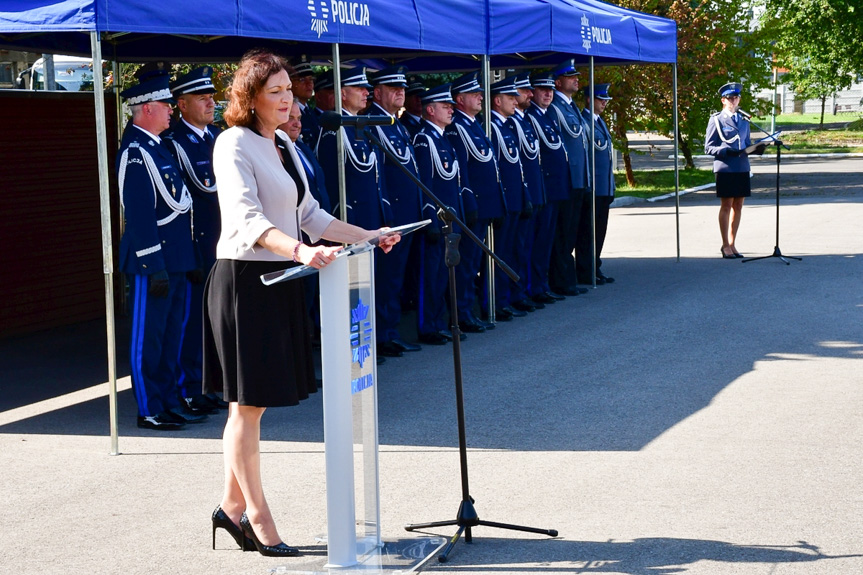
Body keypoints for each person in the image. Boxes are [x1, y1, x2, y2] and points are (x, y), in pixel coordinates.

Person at [203, 49, 398, 557]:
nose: (288, 99)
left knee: (252, 406)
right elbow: (247, 221)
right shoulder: (233, 144)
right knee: (246, 407)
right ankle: (258, 519)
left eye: (289, 90)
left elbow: (311, 213)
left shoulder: (284, 143)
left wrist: (368, 235)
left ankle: (229, 508)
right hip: (247, 282)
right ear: (250, 98)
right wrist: (301, 252)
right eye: (276, 91)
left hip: (285, 276)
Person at [117, 74, 207, 431]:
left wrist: (190, 258)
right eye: (166, 105)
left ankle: (168, 400)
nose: (172, 110)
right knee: (148, 339)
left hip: (176, 260)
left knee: (171, 337)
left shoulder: (158, 147)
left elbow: (181, 207)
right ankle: (149, 408)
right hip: (152, 262)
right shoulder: (136, 153)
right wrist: (153, 264)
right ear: (148, 108)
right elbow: (140, 216)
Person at [162, 66, 227, 415]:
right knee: (191, 322)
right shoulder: (176, 143)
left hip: (221, 238)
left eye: (211, 97)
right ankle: (189, 387)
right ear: (182, 105)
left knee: (215, 318)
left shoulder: (216, 137)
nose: (210, 103)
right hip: (196, 242)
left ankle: (207, 383)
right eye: (201, 98)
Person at [366, 66, 423, 357]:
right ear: (377, 93)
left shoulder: (396, 123)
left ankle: (390, 331)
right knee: (385, 278)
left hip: (407, 212)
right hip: (391, 215)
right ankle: (381, 335)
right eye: (393, 87)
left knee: (395, 278)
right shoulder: (373, 123)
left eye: (402, 87)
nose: (401, 91)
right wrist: (386, 212)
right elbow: (380, 177)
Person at [445, 71, 504, 328]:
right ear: (460, 99)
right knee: (466, 264)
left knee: (474, 262)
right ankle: (462, 313)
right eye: (474, 94)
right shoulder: (458, 127)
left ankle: (471, 308)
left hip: (485, 203)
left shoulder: (473, 123)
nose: (481, 97)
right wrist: (468, 203)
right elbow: (463, 171)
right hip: (472, 205)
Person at [412, 84, 470, 345]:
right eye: (445, 106)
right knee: (432, 275)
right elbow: (425, 182)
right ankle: (428, 326)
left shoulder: (443, 138)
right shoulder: (424, 139)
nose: (451, 110)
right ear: (430, 110)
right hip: (437, 219)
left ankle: (443, 321)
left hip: (451, 216)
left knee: (446, 274)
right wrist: (431, 218)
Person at [704, 82, 763, 259]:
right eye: (730, 98)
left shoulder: (744, 120)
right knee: (727, 205)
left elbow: (745, 143)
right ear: (723, 100)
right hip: (726, 167)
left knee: (738, 205)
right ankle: (725, 245)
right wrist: (725, 151)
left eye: (736, 97)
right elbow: (708, 147)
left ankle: (733, 243)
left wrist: (756, 148)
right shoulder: (716, 120)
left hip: (742, 167)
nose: (734, 100)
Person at [487, 76, 529, 319]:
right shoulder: (491, 126)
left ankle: (509, 296)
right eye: (510, 97)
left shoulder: (506, 125)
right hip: (503, 199)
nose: (516, 101)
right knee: (501, 253)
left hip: (514, 198)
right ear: (497, 100)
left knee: (513, 250)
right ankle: (496, 300)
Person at [525, 71, 568, 305]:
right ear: (533, 93)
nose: (548, 94)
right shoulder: (531, 116)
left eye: (551, 90)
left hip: (553, 188)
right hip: (544, 188)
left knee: (546, 241)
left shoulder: (547, 116)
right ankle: (534, 286)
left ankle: (542, 284)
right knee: (536, 241)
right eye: (543, 90)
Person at [548, 59, 590, 296]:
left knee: (572, 230)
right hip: (567, 177)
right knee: (563, 233)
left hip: (578, 177)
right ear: (558, 82)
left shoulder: (571, 106)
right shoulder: (556, 107)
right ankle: (562, 280)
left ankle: (568, 276)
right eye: (570, 76)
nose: (576, 79)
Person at [507, 72, 546, 310]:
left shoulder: (522, 120)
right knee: (515, 249)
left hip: (530, 193)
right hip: (516, 197)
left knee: (529, 246)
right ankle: (513, 294)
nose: (530, 94)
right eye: (523, 91)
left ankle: (529, 289)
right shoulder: (510, 123)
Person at [578, 83, 616, 284]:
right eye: (601, 100)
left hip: (604, 187)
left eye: (605, 100)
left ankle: (595, 265)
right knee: (588, 232)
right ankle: (586, 269)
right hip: (593, 187)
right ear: (589, 99)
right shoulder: (583, 121)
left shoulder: (599, 122)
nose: (604, 104)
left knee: (599, 231)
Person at [289, 60, 319, 146]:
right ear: (290, 83)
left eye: (311, 79)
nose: (308, 83)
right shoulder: (287, 112)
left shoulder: (310, 112)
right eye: (302, 80)